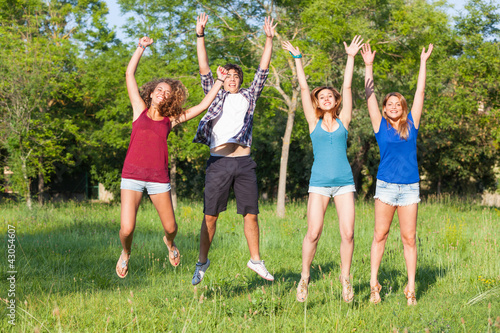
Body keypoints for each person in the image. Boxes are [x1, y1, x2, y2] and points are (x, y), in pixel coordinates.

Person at [116, 36, 228, 278]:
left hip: (158, 179)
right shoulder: (139, 110)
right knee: (127, 228)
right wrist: (140, 48)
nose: (162, 93)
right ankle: (126, 253)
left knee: (171, 227)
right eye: (159, 89)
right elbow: (129, 75)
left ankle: (169, 243)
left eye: (167, 92)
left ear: (170, 98)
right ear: (152, 92)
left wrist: (219, 81)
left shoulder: (170, 119)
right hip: (132, 176)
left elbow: (202, 106)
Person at [191, 13, 277, 285]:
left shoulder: (249, 96)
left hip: (244, 163)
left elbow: (263, 69)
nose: (232, 78)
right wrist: (200, 35)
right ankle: (202, 262)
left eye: (235, 75)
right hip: (219, 163)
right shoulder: (214, 93)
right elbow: (203, 66)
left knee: (251, 214)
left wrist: (269, 39)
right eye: (227, 75)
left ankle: (256, 260)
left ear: (240, 79)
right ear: (222, 78)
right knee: (210, 216)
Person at [282, 36, 364, 303]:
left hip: (344, 183)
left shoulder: (345, 120)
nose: (326, 98)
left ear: (335, 101)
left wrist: (351, 56)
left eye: (330, 96)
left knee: (348, 233)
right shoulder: (312, 121)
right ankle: (304, 278)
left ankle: (346, 281)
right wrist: (298, 61)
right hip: (319, 183)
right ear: (318, 103)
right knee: (314, 232)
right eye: (322, 97)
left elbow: (348, 86)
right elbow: (304, 90)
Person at [360, 42, 433, 305]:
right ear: (385, 107)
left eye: (397, 103)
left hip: (410, 187)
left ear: (403, 107)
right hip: (386, 187)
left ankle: (411, 288)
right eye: (389, 103)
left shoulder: (412, 124)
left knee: (409, 238)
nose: (393, 106)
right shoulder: (380, 125)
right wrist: (368, 66)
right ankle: (374, 285)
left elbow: (420, 91)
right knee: (380, 234)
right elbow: (369, 96)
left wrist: (423, 61)